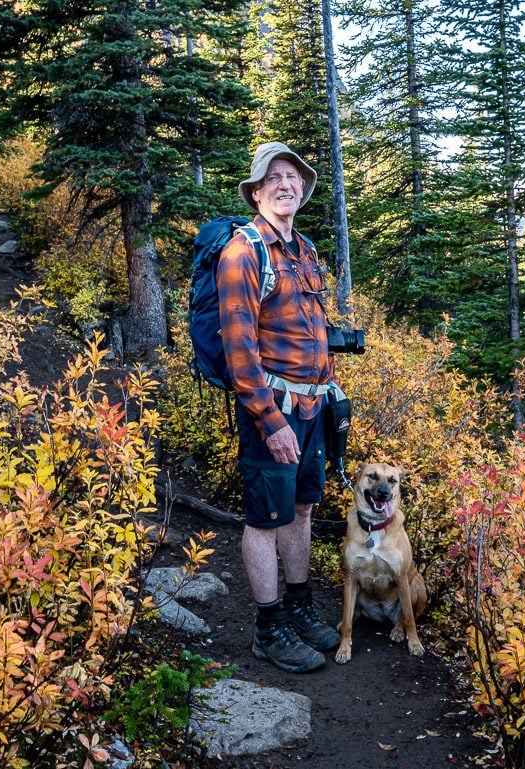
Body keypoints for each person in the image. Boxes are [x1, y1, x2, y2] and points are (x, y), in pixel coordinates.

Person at [217, 141, 341, 673]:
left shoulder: (305, 248)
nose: (286, 185)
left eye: (293, 177)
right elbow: (239, 348)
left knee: (304, 508)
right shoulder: (244, 252)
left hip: (314, 408)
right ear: (257, 190)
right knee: (267, 519)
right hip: (273, 411)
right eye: (274, 178)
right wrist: (270, 422)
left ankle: (298, 607)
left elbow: (306, 329)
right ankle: (269, 630)